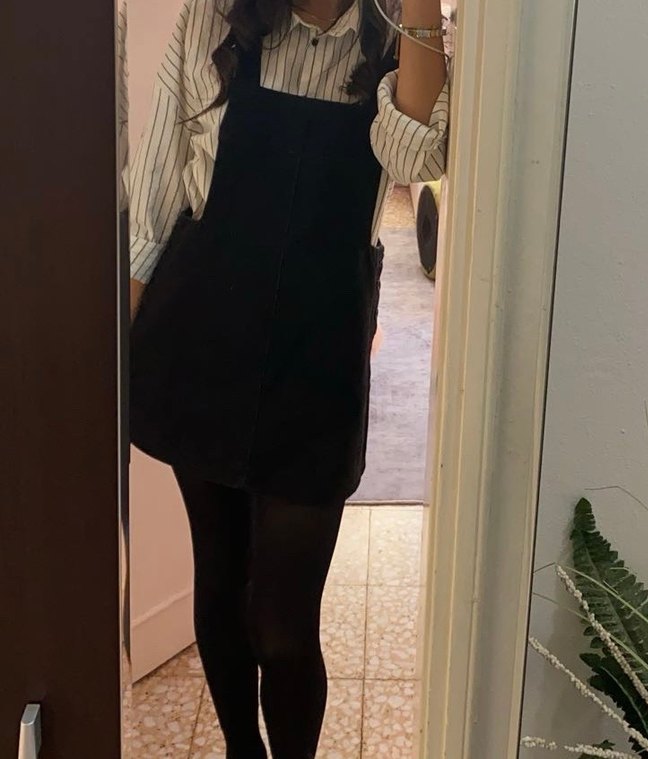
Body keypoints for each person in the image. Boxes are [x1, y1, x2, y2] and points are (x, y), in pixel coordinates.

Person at [127, 0, 448, 755]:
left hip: (317, 361)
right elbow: (152, 206)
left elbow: (415, 158)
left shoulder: (395, 34)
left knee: (283, 622)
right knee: (220, 582)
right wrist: (109, 364)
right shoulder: (213, 17)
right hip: (203, 342)